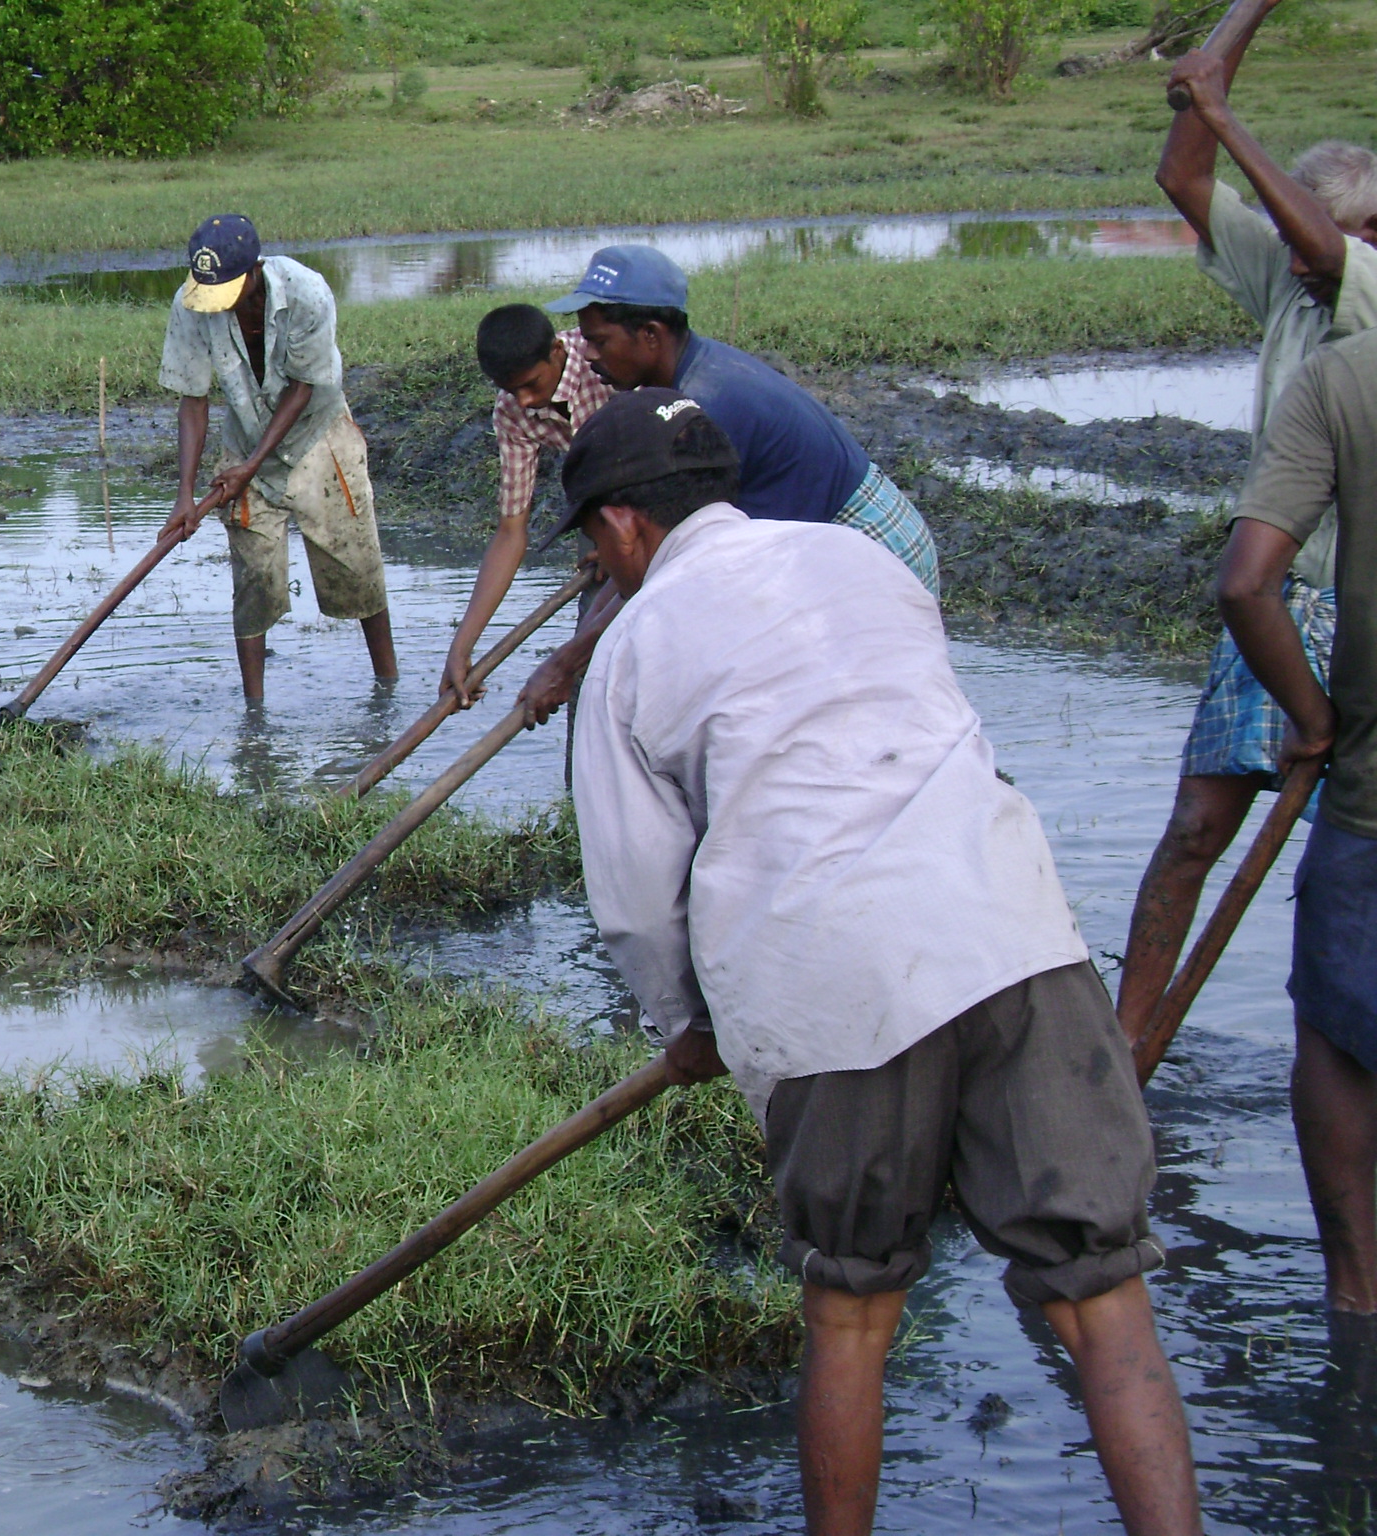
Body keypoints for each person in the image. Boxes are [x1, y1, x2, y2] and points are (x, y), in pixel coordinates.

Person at [558, 389, 1202, 1536]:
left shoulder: (630, 649)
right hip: (1012, 931)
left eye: (596, 548)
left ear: (619, 528)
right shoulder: (862, 562)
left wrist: (684, 1028)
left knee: (853, 1307)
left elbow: (637, 903)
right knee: (1101, 1291)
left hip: (825, 975)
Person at [1118, 0, 1377, 1041]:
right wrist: (1236, 26)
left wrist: (1226, 118)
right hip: (1274, 599)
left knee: (1345, 847)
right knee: (1195, 830)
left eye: (1343, 235)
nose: (1314, 250)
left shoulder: (1363, 289)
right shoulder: (1288, 279)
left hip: (1345, 609)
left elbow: (1319, 246)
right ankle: (1126, 1039)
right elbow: (1179, 182)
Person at [513, 245, 938, 728]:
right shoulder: (687, 382)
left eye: (599, 341)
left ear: (650, 335)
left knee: (875, 713)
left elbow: (680, 564)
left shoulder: (704, 410)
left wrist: (569, 661)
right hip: (828, 541)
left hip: (872, 547)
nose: (586, 354)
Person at [1216, 328, 1377, 1317]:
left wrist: (1311, 716)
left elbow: (1244, 581)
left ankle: (1355, 1297)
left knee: (1333, 1033)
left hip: (1364, 791)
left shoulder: (1344, 374)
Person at [156, 214, 396, 702]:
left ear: (254, 272)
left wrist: (253, 466)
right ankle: (254, 715)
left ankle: (389, 687)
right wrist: (184, 493)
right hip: (244, 441)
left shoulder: (307, 293)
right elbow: (193, 401)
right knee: (254, 579)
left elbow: (305, 387)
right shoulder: (191, 305)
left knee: (355, 564)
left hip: (318, 435)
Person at [439, 303, 612, 709]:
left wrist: (633, 533)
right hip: (602, 507)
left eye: (533, 384)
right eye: (511, 389)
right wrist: (462, 646)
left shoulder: (604, 364)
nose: (526, 400)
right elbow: (511, 531)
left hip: (665, 493)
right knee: (592, 656)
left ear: (556, 351)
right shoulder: (513, 410)